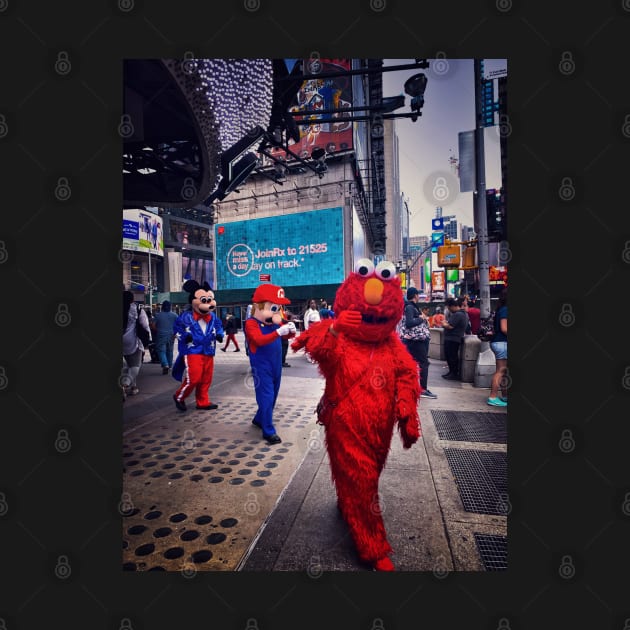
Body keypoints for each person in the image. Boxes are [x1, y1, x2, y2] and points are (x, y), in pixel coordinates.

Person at [291, 258, 421, 571]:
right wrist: (335, 328)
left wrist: (406, 407)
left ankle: (348, 502)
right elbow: (317, 349)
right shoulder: (338, 333)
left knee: (368, 475)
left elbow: (407, 373)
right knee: (362, 480)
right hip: (345, 424)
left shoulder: (391, 344)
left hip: (380, 429)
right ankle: (372, 547)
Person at [245, 284, 296, 444]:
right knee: (266, 397)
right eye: (273, 308)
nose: (276, 312)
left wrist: (291, 330)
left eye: (278, 308)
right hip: (261, 366)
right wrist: (277, 332)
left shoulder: (275, 323)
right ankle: (268, 430)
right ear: (258, 307)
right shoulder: (251, 323)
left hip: (276, 365)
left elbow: (286, 336)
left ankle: (259, 419)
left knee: (272, 395)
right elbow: (259, 340)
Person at [171, 280, 224, 412]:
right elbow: (177, 330)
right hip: (192, 350)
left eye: (209, 300)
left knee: (206, 378)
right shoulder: (186, 317)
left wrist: (220, 334)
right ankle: (179, 396)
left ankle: (203, 401)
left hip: (208, 350)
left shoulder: (212, 317)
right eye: (204, 300)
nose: (208, 304)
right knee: (194, 378)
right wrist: (185, 336)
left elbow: (219, 326)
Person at [401, 287, 437, 399]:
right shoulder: (410, 307)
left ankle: (415, 388)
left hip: (414, 341)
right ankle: (423, 389)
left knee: (415, 364)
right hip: (415, 341)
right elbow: (409, 323)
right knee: (423, 363)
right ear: (416, 295)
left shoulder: (410, 307)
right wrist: (421, 318)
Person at [122, 290, 151, 397]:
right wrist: (148, 340)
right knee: (134, 366)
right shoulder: (137, 309)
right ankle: (125, 385)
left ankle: (133, 387)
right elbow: (145, 325)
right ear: (132, 299)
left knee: (128, 366)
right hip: (132, 340)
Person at [488, 289, 508, 407]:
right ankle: (493, 396)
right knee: (500, 371)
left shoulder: (501, 309)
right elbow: (504, 328)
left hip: (498, 342)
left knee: (503, 371)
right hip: (502, 343)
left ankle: (505, 396)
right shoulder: (505, 309)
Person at [441, 298, 469, 380]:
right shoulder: (463, 314)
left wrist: (443, 323)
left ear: (453, 306)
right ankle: (451, 372)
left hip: (452, 339)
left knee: (451, 357)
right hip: (454, 338)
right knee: (451, 356)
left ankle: (453, 373)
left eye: (449, 308)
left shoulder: (458, 314)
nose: (449, 310)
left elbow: (450, 326)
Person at [153, 300, 178, 374]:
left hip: (161, 335)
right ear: (170, 307)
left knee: (161, 351)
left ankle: (165, 364)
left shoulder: (158, 315)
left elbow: (153, 326)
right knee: (170, 351)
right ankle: (169, 366)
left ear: (162, 307)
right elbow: (179, 326)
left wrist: (158, 330)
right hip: (171, 335)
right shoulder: (175, 315)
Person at [303, 299, 321, 363]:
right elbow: (306, 321)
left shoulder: (317, 312)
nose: (313, 304)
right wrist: (307, 331)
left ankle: (315, 357)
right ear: (309, 304)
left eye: (314, 303)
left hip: (317, 329)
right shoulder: (308, 312)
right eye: (312, 303)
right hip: (311, 329)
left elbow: (319, 321)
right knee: (310, 343)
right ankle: (309, 357)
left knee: (316, 344)